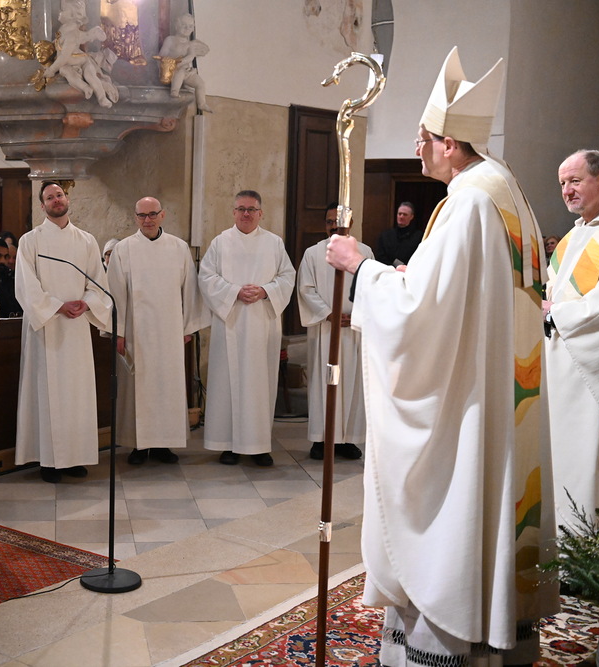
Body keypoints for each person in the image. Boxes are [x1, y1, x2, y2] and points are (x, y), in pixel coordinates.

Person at [325, 47, 557, 664]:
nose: (416, 146)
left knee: (450, 504)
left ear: (450, 144)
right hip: (501, 388)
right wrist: (411, 278)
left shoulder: (469, 202)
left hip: (468, 398)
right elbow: (461, 298)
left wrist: (362, 267)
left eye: (424, 137)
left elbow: (418, 315)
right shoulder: (506, 190)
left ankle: (443, 638)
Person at [15, 181, 111, 483]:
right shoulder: (30, 241)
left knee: (76, 394)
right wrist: (57, 306)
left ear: (67, 199)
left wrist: (87, 303)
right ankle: (49, 460)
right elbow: (26, 285)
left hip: (76, 328)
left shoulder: (86, 240)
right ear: (42, 206)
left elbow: (98, 283)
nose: (56, 200)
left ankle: (74, 457)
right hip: (46, 328)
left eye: (59, 195)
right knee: (47, 393)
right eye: (49, 197)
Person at [544, 149, 599, 529]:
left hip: (594, 373)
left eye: (575, 181)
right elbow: (550, 292)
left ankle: (590, 543)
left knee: (590, 463)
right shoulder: (573, 235)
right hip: (558, 368)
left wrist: (554, 313)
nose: (567, 191)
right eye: (562, 184)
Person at [108, 196, 208, 465]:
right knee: (138, 390)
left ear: (163, 215)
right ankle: (139, 446)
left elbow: (190, 289)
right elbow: (116, 293)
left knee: (167, 388)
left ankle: (164, 444)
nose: (148, 220)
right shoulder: (123, 249)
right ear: (135, 218)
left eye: (153, 214)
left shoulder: (178, 247)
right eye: (142, 215)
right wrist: (118, 332)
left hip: (169, 332)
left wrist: (188, 326)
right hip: (136, 333)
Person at [198, 190, 295, 467]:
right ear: (233, 212)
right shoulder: (220, 242)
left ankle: (258, 445)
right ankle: (228, 445)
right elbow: (206, 277)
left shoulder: (274, 243)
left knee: (259, 384)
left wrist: (265, 291)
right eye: (241, 209)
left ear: (260, 213)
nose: (246, 214)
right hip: (230, 322)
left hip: (262, 323)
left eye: (251, 209)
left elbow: (288, 277)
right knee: (226, 383)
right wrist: (234, 292)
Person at [297, 204, 369, 461]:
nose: (334, 227)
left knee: (352, 385)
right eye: (329, 222)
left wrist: (356, 313)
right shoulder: (313, 253)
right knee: (323, 383)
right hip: (326, 330)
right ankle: (321, 439)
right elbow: (305, 289)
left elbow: (371, 287)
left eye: (339, 222)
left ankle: (347, 439)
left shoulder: (365, 253)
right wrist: (329, 314)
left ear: (351, 223)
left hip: (353, 329)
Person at [375, 201, 422, 267]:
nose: (401, 216)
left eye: (405, 214)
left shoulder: (419, 237)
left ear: (411, 217)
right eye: (399, 214)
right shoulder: (385, 236)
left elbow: (419, 257)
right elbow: (380, 257)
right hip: (387, 270)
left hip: (409, 270)